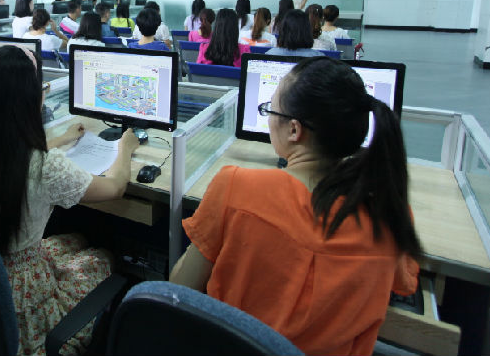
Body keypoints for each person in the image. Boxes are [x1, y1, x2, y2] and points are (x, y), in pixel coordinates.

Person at [170, 56, 421, 355]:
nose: (268, 118)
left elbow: (179, 290)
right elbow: (404, 285)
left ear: (294, 130)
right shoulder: (390, 214)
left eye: (270, 109)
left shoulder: (235, 187)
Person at [0, 45, 139, 355]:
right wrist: (125, 148)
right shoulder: (44, 166)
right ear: (29, 100)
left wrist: (62, 139)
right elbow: (114, 188)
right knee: (102, 256)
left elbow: (13, 150)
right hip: (23, 298)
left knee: (76, 239)